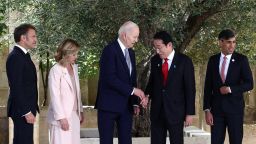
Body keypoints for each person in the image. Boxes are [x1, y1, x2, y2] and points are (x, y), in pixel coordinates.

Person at [94, 21, 145, 144]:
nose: (136, 40)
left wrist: (134, 103)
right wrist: (134, 91)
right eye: (135, 36)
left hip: (126, 107)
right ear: (124, 35)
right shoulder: (109, 51)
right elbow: (110, 79)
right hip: (108, 106)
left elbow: (131, 79)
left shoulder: (131, 53)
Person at [145, 31, 196, 144]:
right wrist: (147, 95)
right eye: (155, 48)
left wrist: (189, 113)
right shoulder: (155, 60)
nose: (157, 51)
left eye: (159, 47)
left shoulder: (184, 61)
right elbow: (152, 83)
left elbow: (190, 89)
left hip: (176, 112)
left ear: (169, 45)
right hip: (157, 112)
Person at [203, 29, 253, 144]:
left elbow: (249, 84)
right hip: (216, 112)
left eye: (234, 42)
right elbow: (207, 86)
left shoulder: (242, 60)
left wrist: (231, 89)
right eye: (229, 42)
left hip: (235, 111)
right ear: (220, 42)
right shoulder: (213, 60)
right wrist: (207, 110)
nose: (232, 45)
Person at [6, 23, 39, 144]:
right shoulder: (15, 57)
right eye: (33, 36)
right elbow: (16, 87)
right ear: (23, 38)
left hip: (25, 109)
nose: (36, 40)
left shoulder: (23, 55)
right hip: (22, 110)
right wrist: (26, 111)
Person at [47, 38, 84, 144]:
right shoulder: (56, 70)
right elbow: (55, 96)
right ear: (66, 53)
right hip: (62, 116)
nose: (76, 57)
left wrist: (80, 110)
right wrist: (61, 118)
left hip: (75, 115)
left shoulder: (74, 68)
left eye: (76, 54)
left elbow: (77, 92)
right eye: (74, 54)